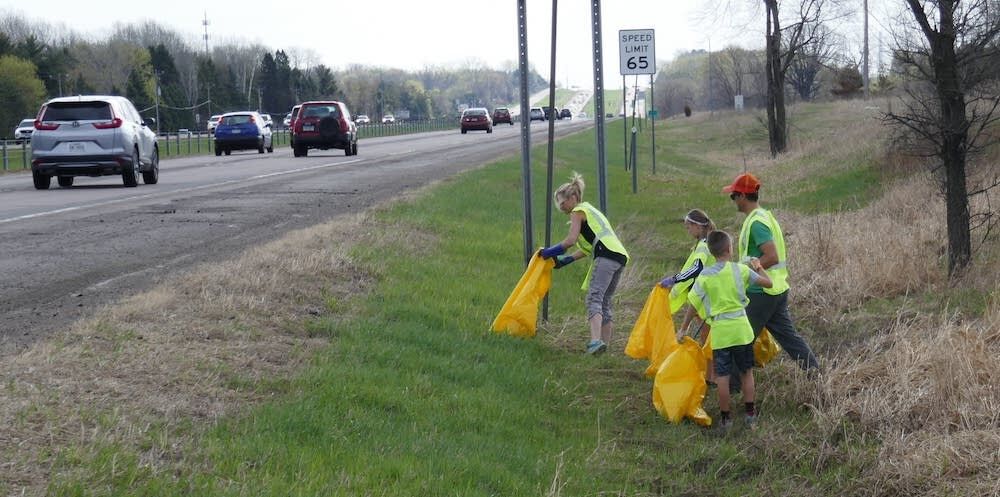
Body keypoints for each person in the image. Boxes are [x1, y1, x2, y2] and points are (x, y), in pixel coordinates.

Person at [723, 173, 820, 371]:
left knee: (740, 338)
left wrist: (744, 275)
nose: (733, 200)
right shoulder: (763, 216)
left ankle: (731, 385)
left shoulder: (757, 223)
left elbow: (772, 256)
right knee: (789, 338)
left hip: (761, 293)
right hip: (776, 289)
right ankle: (814, 372)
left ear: (742, 196)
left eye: (733, 196)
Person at [685, 230, 772, 429]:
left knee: (722, 377)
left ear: (712, 252)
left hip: (721, 334)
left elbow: (692, 303)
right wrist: (758, 267)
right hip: (742, 331)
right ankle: (750, 415)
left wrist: (683, 328)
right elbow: (769, 283)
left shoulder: (705, 276)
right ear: (729, 249)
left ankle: (726, 419)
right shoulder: (740, 270)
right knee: (746, 373)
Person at [539, 172, 629, 355]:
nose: (561, 208)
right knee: (605, 301)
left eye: (562, 203)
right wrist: (566, 260)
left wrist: (547, 252)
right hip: (619, 257)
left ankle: (595, 342)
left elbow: (570, 240)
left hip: (605, 255)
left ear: (573, 197)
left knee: (594, 298)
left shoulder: (577, 212)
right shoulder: (591, 210)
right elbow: (587, 248)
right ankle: (605, 345)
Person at [663, 209, 718, 383]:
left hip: (708, 299)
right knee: (706, 338)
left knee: (708, 339)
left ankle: (712, 378)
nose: (688, 232)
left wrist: (674, 279)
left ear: (697, 226)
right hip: (705, 297)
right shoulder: (706, 242)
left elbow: (697, 268)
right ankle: (710, 376)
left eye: (688, 228)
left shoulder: (703, 245)